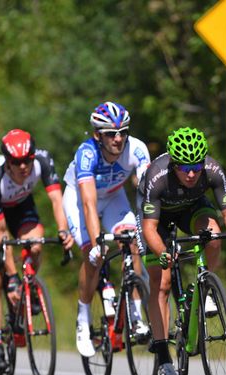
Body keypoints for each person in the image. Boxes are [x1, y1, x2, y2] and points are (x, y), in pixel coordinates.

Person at [141, 126, 226, 375]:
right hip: (158, 219)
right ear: (174, 165)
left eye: (196, 167)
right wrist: (163, 253)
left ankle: (204, 288)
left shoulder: (212, 170)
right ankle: (163, 358)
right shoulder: (156, 176)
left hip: (191, 209)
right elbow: (149, 229)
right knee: (162, 282)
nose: (192, 174)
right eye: (185, 168)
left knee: (213, 235)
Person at [0, 129, 74, 371]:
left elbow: (56, 200)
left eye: (27, 160)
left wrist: (64, 231)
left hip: (21, 205)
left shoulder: (43, 161)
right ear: (7, 162)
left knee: (36, 243)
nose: (23, 167)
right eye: (16, 162)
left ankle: (28, 286)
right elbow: (1, 235)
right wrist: (11, 276)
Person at [63, 101, 150, 357]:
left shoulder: (137, 149)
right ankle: (83, 317)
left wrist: (147, 228)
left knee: (132, 242)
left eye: (123, 132)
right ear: (97, 135)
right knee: (94, 256)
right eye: (111, 133)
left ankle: (136, 315)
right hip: (80, 201)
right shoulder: (87, 153)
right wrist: (96, 243)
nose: (118, 138)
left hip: (113, 198)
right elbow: (88, 204)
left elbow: (147, 192)